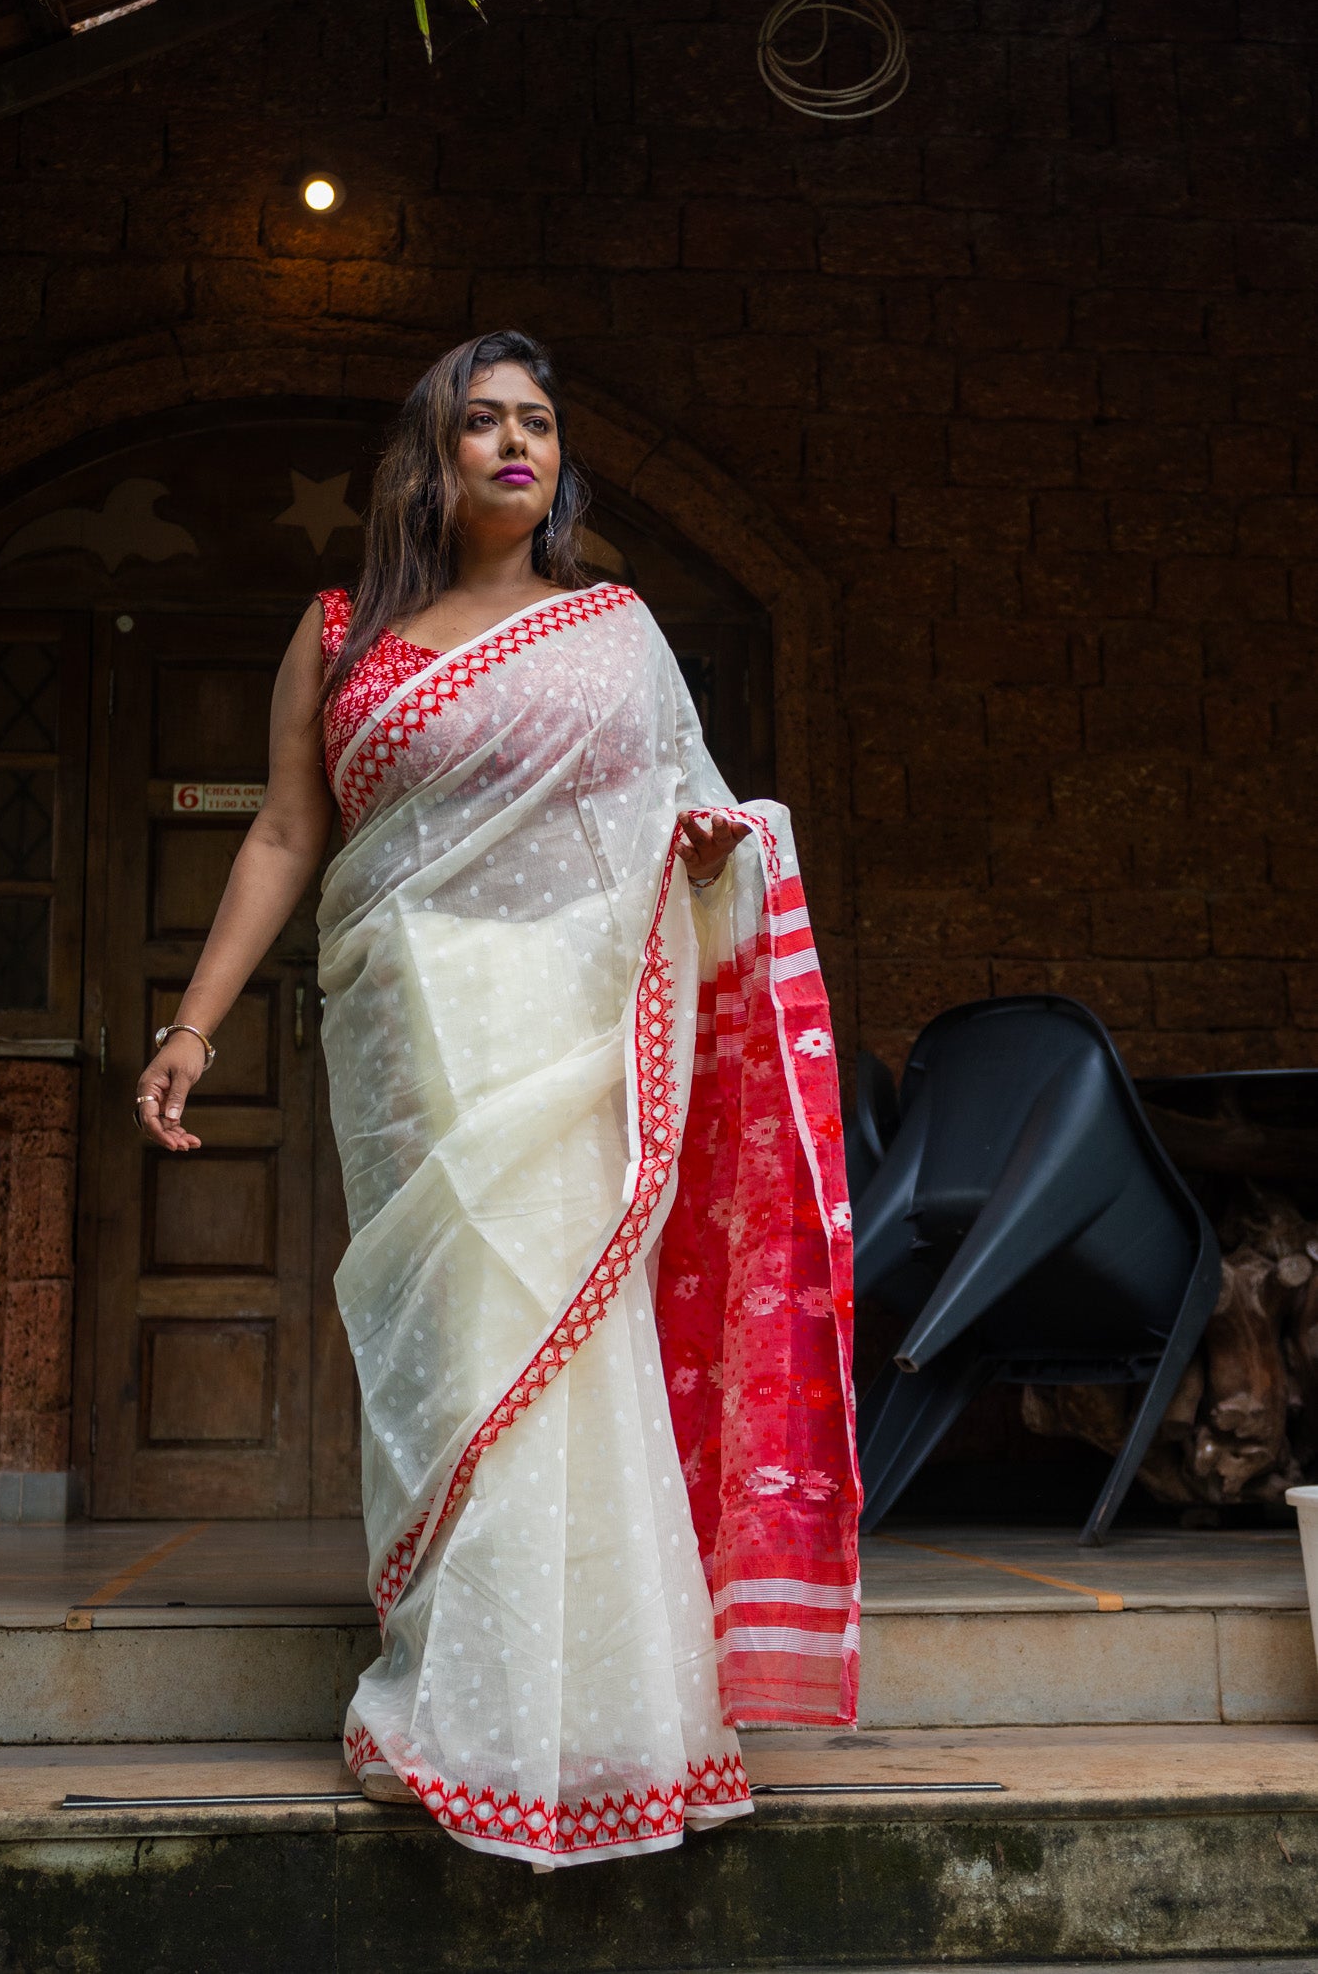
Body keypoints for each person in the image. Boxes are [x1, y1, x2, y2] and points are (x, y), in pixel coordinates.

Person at [134, 330, 859, 1871]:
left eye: (536, 422)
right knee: (459, 1347)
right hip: (409, 1033)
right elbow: (281, 834)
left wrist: (717, 848)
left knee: (563, 1342)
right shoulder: (342, 631)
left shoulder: (613, 628)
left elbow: (681, 800)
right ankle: (455, 1692)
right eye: (483, 422)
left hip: (573, 1031)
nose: (514, 444)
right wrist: (194, 1024)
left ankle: (597, 1719)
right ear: (432, 457)